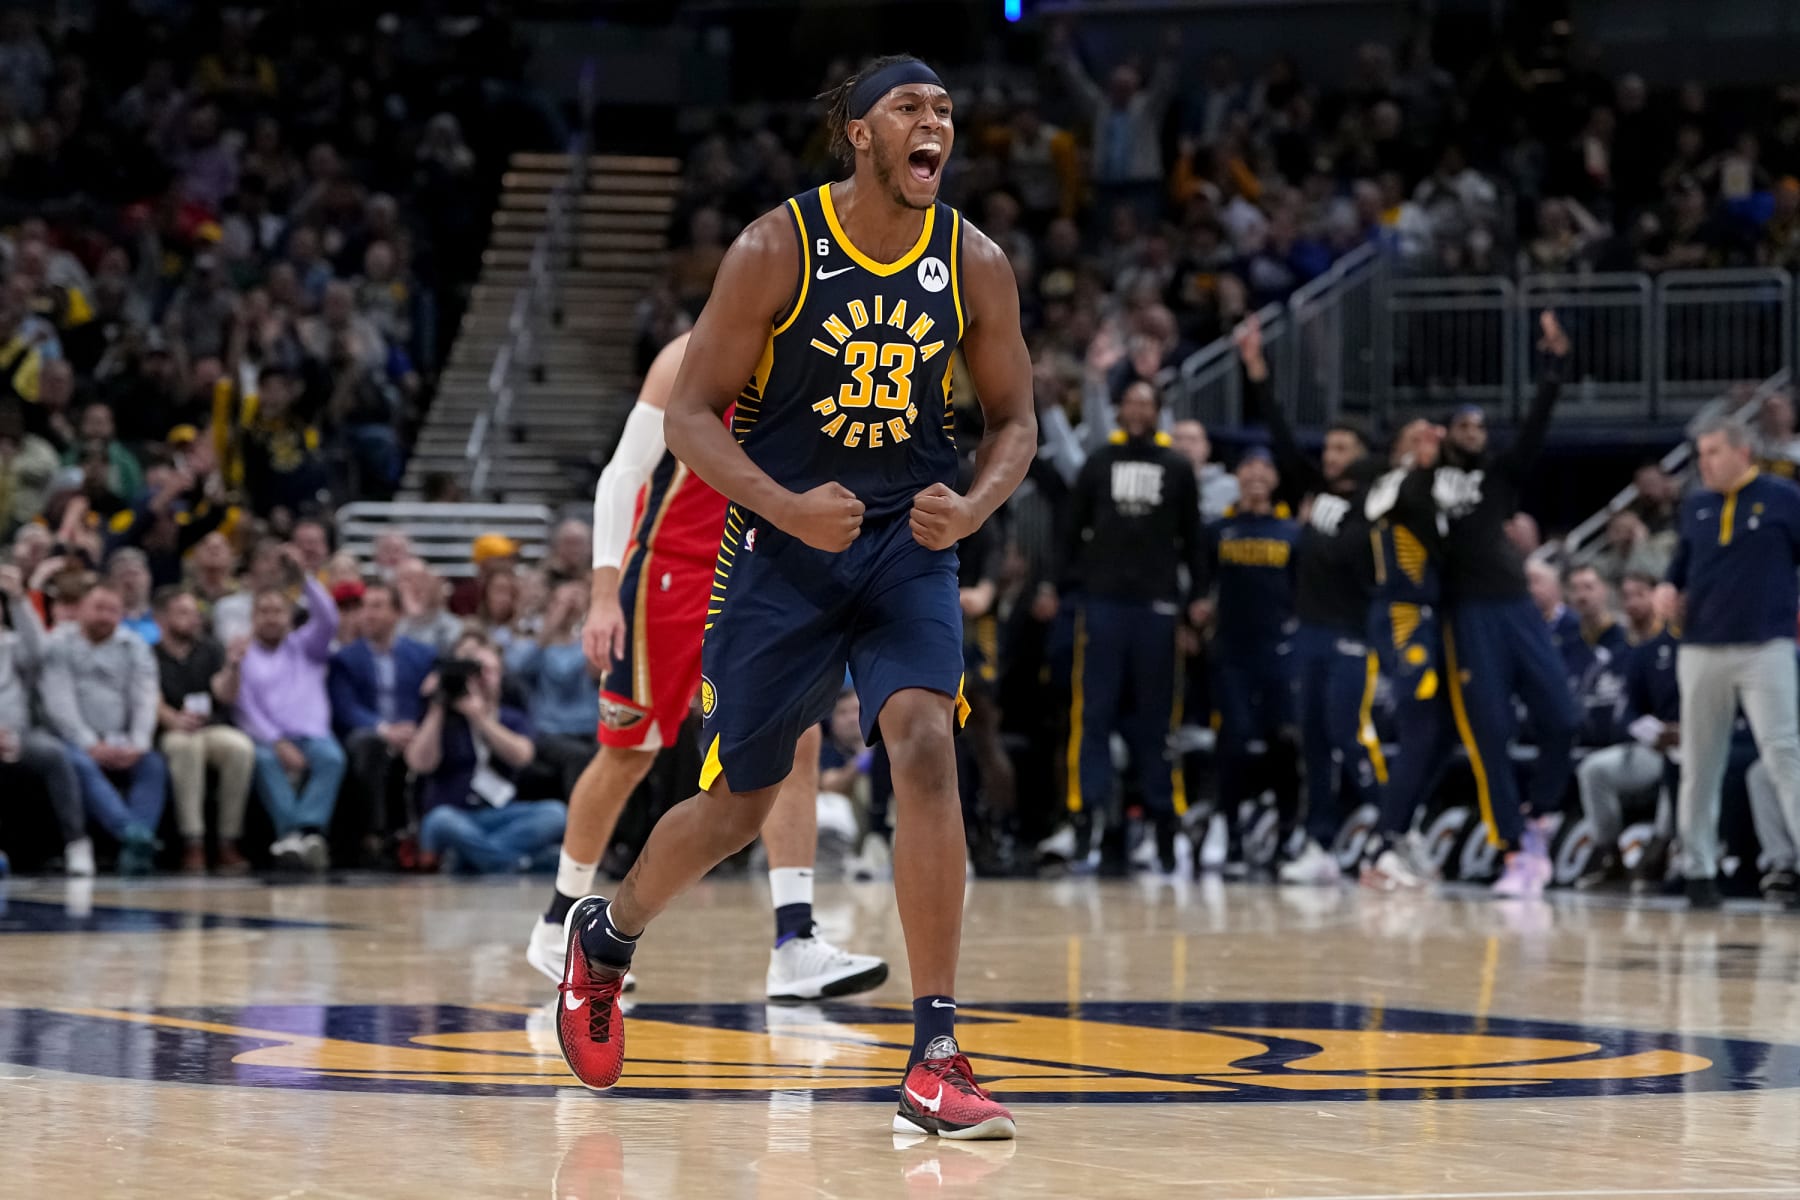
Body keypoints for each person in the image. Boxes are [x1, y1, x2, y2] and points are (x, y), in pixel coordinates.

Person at [553, 56, 1036, 1142]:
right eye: (911, 108)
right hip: (784, 554)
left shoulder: (976, 261)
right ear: (859, 133)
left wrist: (972, 508)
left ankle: (935, 1052)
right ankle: (609, 935)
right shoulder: (777, 247)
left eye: (946, 111)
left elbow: (1015, 423)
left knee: (921, 742)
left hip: (910, 545)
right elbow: (691, 419)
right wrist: (784, 504)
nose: (935, 125)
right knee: (735, 806)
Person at [527, 331, 887, 1002]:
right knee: (629, 753)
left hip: (757, 575)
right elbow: (624, 475)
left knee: (797, 743)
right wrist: (604, 592)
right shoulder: (689, 353)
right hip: (669, 573)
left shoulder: (817, 354)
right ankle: (558, 923)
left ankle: (795, 942)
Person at [1431, 312, 1577, 897]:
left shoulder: (1498, 476)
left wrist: (1554, 368)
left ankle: (1539, 815)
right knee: (1488, 733)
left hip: (1515, 605)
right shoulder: (1422, 482)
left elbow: (1536, 428)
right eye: (1464, 424)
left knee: (1562, 716)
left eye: (1479, 425)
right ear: (1444, 433)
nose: (1475, 430)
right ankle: (1512, 849)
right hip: (1466, 614)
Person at [1241, 317, 1383, 886]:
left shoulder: (1378, 499)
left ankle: (1399, 830)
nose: (1330, 455)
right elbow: (1279, 435)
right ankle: (1321, 843)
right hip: (1311, 632)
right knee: (1316, 743)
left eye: (1343, 447)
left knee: (1352, 735)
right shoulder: (1314, 491)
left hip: (1354, 630)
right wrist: (1257, 373)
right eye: (1329, 446)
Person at [1058, 379, 1203, 872]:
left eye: (1147, 403)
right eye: (1132, 402)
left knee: (1159, 722)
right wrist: (1072, 585)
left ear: (1158, 411)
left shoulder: (1178, 468)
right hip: (1103, 606)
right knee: (1091, 715)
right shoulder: (1098, 464)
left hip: (1157, 609)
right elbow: (1069, 531)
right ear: (1120, 410)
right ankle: (1085, 817)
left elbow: (1194, 539)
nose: (1138, 410)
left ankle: (1165, 821)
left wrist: (1196, 601)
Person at [1663, 416, 1800, 909]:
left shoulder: (1785, 498)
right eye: (1700, 453)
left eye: (1713, 452)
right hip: (1700, 648)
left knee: (1784, 754)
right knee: (1699, 763)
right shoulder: (1697, 506)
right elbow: (1677, 568)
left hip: (1766, 647)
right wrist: (1665, 592)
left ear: (1743, 453)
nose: (1704, 462)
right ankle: (1699, 870)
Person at [1360, 420, 1455, 890]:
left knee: (1444, 732)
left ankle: (1405, 823)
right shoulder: (1389, 485)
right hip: (1402, 612)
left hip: (1432, 615)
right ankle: (1383, 844)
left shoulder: (1440, 490)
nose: (1429, 445)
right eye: (1417, 437)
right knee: (1419, 725)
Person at [1202, 446, 1301, 853]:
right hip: (1231, 652)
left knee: (1284, 740)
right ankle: (1229, 827)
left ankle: (1288, 828)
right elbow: (1199, 581)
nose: (1256, 474)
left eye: (1265, 467)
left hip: (1279, 651)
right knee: (1235, 739)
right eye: (1248, 466)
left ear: (1275, 480)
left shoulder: (1293, 533)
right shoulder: (1216, 530)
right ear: (1236, 477)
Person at [406, 630, 564, 873]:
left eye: (487, 671)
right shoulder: (442, 716)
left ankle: (472, 858)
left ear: (501, 675)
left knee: (555, 813)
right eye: (473, 671)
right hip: (453, 813)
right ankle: (521, 863)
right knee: (441, 821)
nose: (480, 679)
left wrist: (480, 718)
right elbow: (420, 763)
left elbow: (522, 756)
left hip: (501, 816)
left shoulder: (511, 717)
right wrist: (437, 704)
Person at [40, 583, 167, 874]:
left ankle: (136, 841)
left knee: (153, 764)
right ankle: (133, 834)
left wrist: (138, 743)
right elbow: (59, 700)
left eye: (113, 610)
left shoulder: (134, 645)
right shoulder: (59, 643)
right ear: (82, 608)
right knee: (77, 762)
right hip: (75, 739)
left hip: (123, 739)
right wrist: (89, 743)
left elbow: (145, 696)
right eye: (99, 608)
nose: (105, 617)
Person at [235, 546, 345, 871]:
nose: (271, 618)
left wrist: (305, 579)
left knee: (332, 757)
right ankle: (299, 835)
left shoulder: (306, 646)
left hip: (312, 735)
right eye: (264, 611)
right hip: (268, 738)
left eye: (277, 611)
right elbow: (245, 708)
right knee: (264, 760)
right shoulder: (245, 653)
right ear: (253, 618)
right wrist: (277, 741)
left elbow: (329, 618)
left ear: (289, 616)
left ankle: (300, 833)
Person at [1574, 571, 1678, 889]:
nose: (1632, 602)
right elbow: (1627, 710)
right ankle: (1609, 854)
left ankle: (1660, 849)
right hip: (1652, 745)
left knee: (1683, 768)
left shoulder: (1697, 646)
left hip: (1696, 742)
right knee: (1593, 769)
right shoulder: (1643, 651)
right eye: (1627, 595)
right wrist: (1652, 732)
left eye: (1640, 594)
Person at [153, 587, 256, 874]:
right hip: (170, 730)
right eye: (183, 613)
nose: (193, 620)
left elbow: (224, 694)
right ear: (161, 618)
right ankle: (193, 842)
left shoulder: (210, 648)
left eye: (194, 613)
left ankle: (228, 840)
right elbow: (148, 698)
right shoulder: (150, 653)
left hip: (209, 728)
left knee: (239, 747)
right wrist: (173, 719)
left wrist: (234, 666)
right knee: (187, 747)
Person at [328, 581, 433, 861]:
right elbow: (345, 708)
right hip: (368, 733)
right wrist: (385, 730)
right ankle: (374, 834)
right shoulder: (345, 659)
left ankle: (424, 835)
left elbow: (428, 699)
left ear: (397, 613)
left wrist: (415, 729)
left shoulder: (423, 655)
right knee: (369, 744)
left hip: (412, 732)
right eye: (364, 607)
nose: (368, 615)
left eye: (377, 607)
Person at [0, 561, 87, 875]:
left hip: (19, 736)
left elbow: (39, 651)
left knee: (54, 754)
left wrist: (19, 599)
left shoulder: (11, 645)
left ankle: (76, 842)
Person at [107, 547, 160, 646]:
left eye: (134, 574)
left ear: (148, 578)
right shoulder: (105, 621)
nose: (129, 581)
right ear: (111, 582)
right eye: (123, 575)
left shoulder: (162, 618)